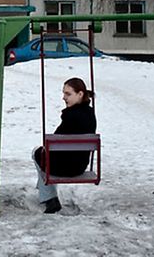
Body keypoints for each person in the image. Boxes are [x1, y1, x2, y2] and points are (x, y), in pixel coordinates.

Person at [32, 77, 97, 214]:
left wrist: (43, 149)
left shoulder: (70, 117)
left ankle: (50, 198)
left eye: (68, 94)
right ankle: (46, 191)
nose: (63, 97)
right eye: (63, 93)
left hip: (64, 168)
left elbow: (51, 143)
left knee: (37, 152)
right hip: (79, 167)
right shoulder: (91, 115)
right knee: (47, 155)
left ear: (80, 94)